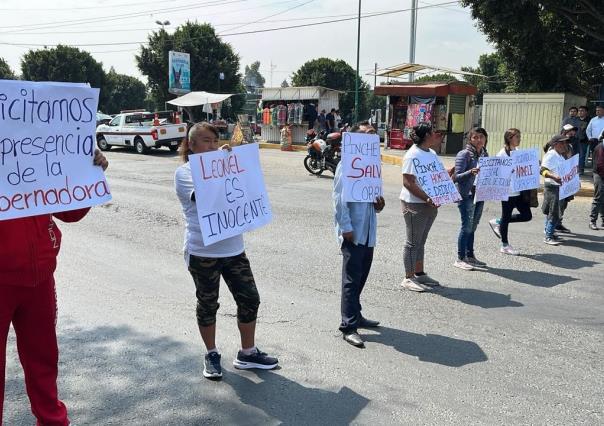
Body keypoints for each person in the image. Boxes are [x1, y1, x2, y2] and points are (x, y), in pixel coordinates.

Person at [1, 150, 109, 426]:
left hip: (40, 277)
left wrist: (89, 174)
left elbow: (70, 211)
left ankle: (52, 421)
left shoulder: (38, 152)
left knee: (44, 360)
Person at [174, 122, 278, 380]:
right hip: (203, 252)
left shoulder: (225, 167)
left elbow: (246, 190)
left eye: (214, 140)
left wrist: (237, 164)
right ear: (192, 146)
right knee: (208, 304)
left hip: (233, 249)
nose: (212, 145)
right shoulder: (185, 173)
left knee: (250, 298)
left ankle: (248, 352)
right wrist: (224, 168)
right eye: (206, 141)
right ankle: (211, 353)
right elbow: (207, 197)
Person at [333, 121, 385, 348]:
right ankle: (348, 326)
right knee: (351, 279)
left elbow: (374, 199)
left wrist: (379, 204)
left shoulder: (372, 166)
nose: (371, 136)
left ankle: (357, 314)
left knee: (362, 275)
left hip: (368, 229)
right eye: (366, 134)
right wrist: (346, 228)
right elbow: (338, 200)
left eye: (373, 133)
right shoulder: (347, 164)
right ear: (355, 140)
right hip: (353, 231)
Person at [399, 122, 441, 291]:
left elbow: (437, 176)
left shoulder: (431, 153)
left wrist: (450, 173)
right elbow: (408, 182)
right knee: (412, 242)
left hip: (430, 204)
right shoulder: (412, 155)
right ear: (426, 136)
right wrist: (426, 198)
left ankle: (419, 273)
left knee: (421, 241)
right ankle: (408, 277)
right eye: (433, 132)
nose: (436, 135)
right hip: (414, 204)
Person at [488, 129, 533, 255]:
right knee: (506, 217)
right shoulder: (502, 154)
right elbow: (497, 172)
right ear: (509, 138)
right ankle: (505, 245)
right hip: (508, 192)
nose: (519, 139)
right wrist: (509, 171)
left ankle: (498, 221)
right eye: (517, 136)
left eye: (520, 136)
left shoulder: (518, 152)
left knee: (527, 215)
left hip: (519, 190)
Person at [453, 127, 489, 270]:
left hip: (479, 194)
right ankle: (460, 258)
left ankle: (470, 256)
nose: (479, 140)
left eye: (481, 137)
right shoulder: (464, 154)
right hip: (467, 195)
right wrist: (470, 172)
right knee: (466, 227)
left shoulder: (485, 154)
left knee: (473, 227)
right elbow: (456, 177)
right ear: (470, 139)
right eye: (475, 137)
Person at [541, 134, 568, 245]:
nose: (564, 145)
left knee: (553, 211)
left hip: (559, 187)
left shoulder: (559, 155)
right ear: (555, 144)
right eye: (562, 143)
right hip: (552, 187)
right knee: (554, 212)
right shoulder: (551, 155)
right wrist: (553, 177)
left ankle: (549, 231)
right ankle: (548, 237)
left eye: (565, 142)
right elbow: (542, 170)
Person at [589, 130, 604, 230]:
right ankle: (592, 221)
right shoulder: (600, 148)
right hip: (599, 175)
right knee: (598, 197)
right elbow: (600, 165)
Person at [577, 106, 590, 174]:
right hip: (575, 140)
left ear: (586, 112)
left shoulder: (589, 120)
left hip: (584, 141)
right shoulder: (576, 119)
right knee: (573, 155)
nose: (580, 112)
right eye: (579, 111)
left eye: (582, 110)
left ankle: (580, 170)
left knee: (582, 156)